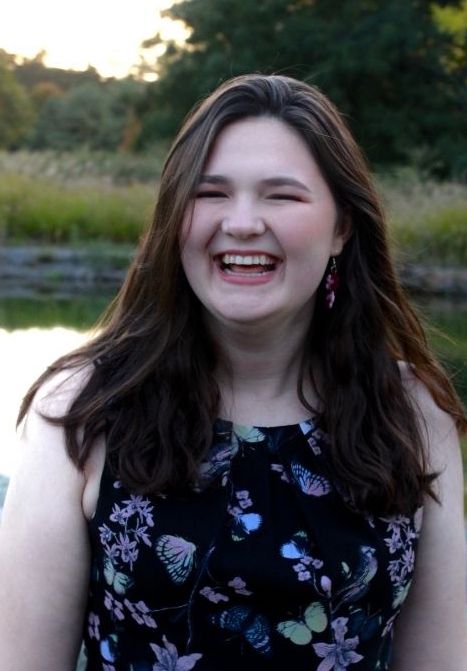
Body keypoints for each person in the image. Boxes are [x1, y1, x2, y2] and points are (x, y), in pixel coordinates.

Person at [0, 74, 465, 671]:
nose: (242, 222)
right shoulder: (82, 411)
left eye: (282, 196)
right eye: (211, 193)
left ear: (342, 228)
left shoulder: (412, 413)